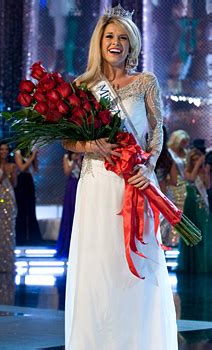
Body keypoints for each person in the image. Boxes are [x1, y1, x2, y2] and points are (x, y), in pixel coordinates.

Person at [64, 5, 178, 349]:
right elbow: (67, 139)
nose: (116, 43)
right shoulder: (83, 86)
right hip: (96, 183)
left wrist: (148, 167)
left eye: (124, 38)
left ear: (133, 45)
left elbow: (157, 130)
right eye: (110, 36)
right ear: (100, 42)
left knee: (137, 266)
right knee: (98, 267)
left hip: (136, 182)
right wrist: (90, 145)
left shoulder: (146, 82)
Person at [177, 148, 210, 274]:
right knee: (190, 232)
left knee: (201, 233)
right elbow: (190, 178)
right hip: (190, 205)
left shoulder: (203, 171)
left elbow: (207, 186)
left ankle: (200, 264)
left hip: (201, 207)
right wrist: (197, 165)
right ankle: (190, 265)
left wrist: (206, 172)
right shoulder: (187, 170)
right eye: (194, 159)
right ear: (191, 161)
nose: (197, 161)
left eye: (198, 159)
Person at [0, 141, 17, 272]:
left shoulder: (12, 165)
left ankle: (6, 262)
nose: (4, 152)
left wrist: (12, 173)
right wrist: (1, 176)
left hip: (8, 198)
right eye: (1, 149)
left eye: (6, 149)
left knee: (8, 229)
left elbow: (14, 184)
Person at [56, 151, 83, 259]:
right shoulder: (66, 156)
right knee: (69, 213)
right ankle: (66, 245)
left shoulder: (83, 155)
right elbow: (67, 172)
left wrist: (79, 161)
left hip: (80, 183)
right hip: (71, 185)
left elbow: (83, 172)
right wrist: (74, 162)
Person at [155, 125, 178, 246]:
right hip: (164, 198)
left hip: (148, 197)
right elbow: (175, 181)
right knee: (162, 236)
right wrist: (163, 181)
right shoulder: (168, 157)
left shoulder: (146, 153)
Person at [14, 148, 42, 245]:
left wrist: (35, 158)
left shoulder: (30, 153)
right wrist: (32, 157)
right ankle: (21, 238)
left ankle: (33, 237)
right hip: (21, 181)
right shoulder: (18, 153)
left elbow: (35, 170)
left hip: (29, 180)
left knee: (31, 209)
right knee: (21, 210)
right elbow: (21, 168)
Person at [167, 129, 190, 246]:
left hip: (184, 186)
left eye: (186, 142)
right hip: (173, 185)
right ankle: (171, 239)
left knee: (182, 212)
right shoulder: (169, 153)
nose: (184, 144)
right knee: (173, 211)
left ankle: (179, 239)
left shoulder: (186, 153)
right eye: (182, 142)